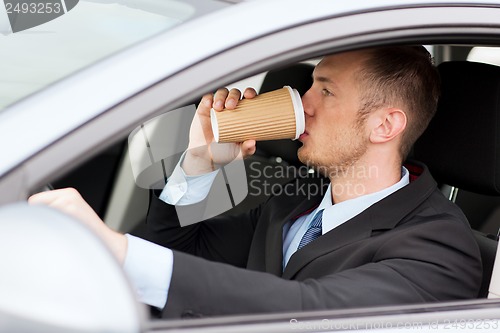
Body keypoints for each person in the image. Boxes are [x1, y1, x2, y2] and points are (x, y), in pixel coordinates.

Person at [29, 46, 482, 319]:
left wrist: (118, 250)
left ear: (385, 125)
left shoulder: (439, 246)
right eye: (310, 86)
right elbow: (177, 249)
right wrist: (200, 162)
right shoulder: (297, 202)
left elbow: (311, 311)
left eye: (325, 90)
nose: (304, 105)